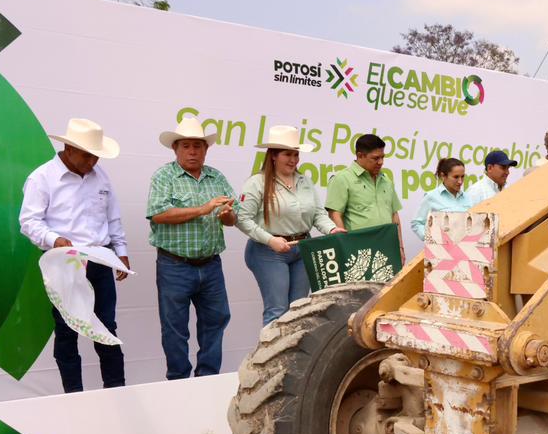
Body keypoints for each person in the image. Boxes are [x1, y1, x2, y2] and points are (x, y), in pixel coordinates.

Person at [18, 117, 129, 393]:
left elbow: (112, 217)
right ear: (68, 149)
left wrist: (121, 251)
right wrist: (54, 239)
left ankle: (116, 389)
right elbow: (29, 221)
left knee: (106, 327)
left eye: (96, 155)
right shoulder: (42, 178)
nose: (93, 161)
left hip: (100, 260)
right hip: (65, 263)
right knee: (68, 330)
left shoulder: (100, 176)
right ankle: (73, 394)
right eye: (87, 155)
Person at [146, 115, 236, 380]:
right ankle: (178, 381)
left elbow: (233, 218)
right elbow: (158, 214)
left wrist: (227, 215)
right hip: (175, 265)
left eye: (198, 146)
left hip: (211, 264)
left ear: (206, 149)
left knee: (217, 320)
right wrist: (203, 209)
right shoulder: (164, 176)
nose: (193, 151)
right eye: (186, 146)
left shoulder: (216, 177)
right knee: (175, 329)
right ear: (175, 149)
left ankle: (207, 378)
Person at [236, 125, 344, 324]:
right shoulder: (257, 183)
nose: (293, 159)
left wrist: (331, 228)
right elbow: (242, 218)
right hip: (268, 252)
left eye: (296, 154)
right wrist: (270, 240)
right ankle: (271, 355)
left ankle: (293, 355)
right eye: (288, 154)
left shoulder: (304, 181)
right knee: (277, 311)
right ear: (273, 156)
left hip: (302, 249)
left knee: (299, 311)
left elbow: (318, 213)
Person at [324, 132, 404, 259]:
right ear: (360, 155)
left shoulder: (386, 180)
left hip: (388, 248)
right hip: (358, 250)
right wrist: (345, 247)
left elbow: (395, 216)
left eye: (383, 157)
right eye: (376, 158)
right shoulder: (342, 179)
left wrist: (399, 247)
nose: (381, 162)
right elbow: (335, 215)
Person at [410, 157, 475, 240]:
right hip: (439, 251)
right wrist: (430, 239)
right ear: (443, 176)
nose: (460, 181)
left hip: (465, 249)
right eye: (456, 177)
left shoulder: (468, 198)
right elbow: (417, 223)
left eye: (462, 176)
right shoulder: (431, 197)